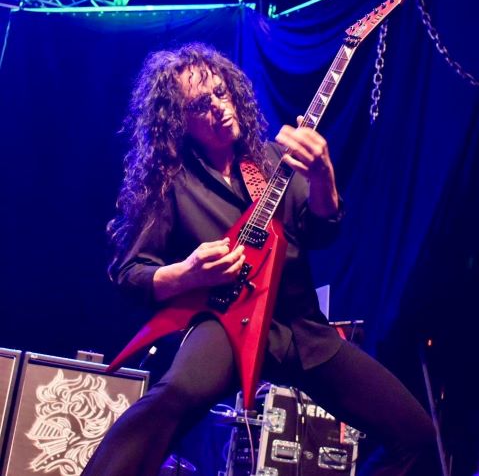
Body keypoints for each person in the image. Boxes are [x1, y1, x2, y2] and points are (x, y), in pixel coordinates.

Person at [82, 42, 438, 476]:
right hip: (227, 324)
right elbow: (130, 273)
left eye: (220, 92)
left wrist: (323, 175)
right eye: (200, 105)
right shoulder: (170, 183)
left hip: (301, 328)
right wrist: (187, 273)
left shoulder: (271, 161)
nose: (218, 107)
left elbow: (321, 231)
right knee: (171, 398)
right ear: (179, 121)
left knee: (416, 436)